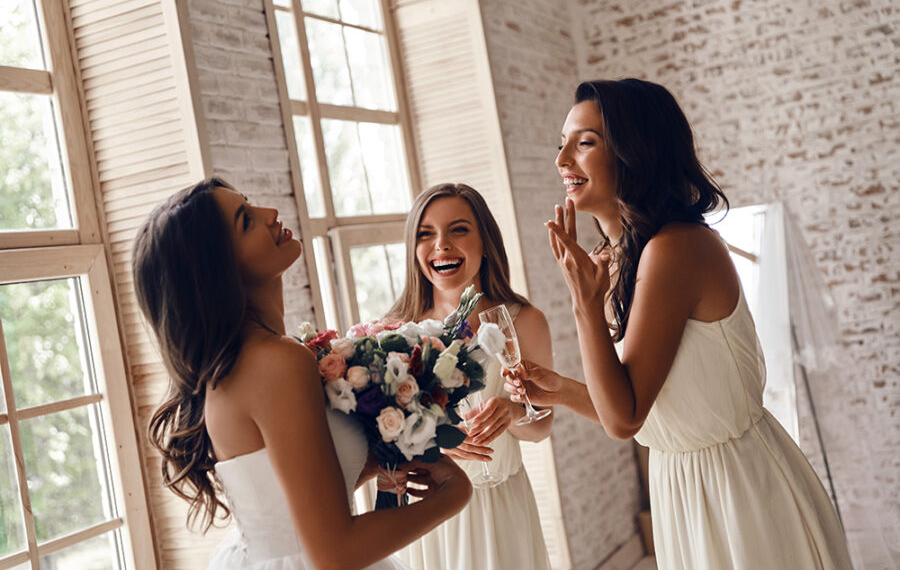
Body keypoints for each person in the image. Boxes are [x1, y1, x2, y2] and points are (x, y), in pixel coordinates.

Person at [506, 79, 853, 569]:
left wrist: (584, 304)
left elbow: (624, 418)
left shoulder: (676, 248)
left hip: (736, 490)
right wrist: (560, 389)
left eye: (584, 143)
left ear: (635, 152)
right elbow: (642, 407)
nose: (562, 160)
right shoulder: (618, 257)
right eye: (561, 143)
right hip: (682, 485)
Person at [133, 177, 471, 570]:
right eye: (246, 221)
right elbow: (335, 554)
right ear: (217, 270)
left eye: (249, 202)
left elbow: (285, 505)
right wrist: (454, 494)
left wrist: (374, 463)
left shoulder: (240, 362)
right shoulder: (276, 361)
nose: (270, 214)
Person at [386, 183, 553, 570]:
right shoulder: (395, 330)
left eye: (458, 230)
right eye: (425, 234)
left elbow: (542, 428)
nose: (440, 245)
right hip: (432, 511)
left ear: (485, 241)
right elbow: (378, 439)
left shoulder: (524, 321)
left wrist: (511, 413)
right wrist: (433, 440)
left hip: (502, 501)